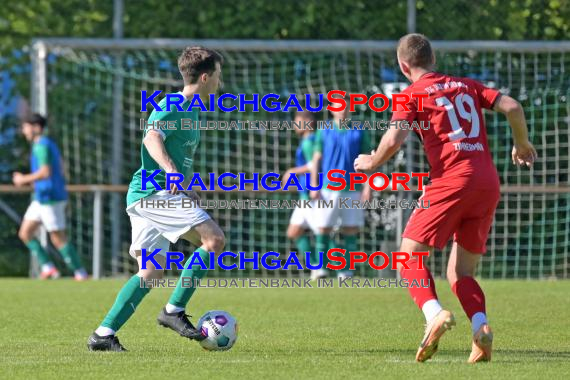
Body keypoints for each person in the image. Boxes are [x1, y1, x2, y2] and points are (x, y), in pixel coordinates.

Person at [354, 33, 537, 363]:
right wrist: (522, 144)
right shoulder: (466, 85)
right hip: (486, 182)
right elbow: (512, 106)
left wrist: (372, 162)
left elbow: (395, 137)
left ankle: (434, 314)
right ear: (433, 60)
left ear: (402, 65)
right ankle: (481, 329)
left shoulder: (411, 94)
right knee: (460, 272)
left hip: (451, 181)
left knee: (408, 256)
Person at [87, 46, 225, 351]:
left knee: (150, 272)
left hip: (146, 196)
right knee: (214, 240)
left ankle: (103, 335)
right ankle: (173, 311)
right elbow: (151, 136)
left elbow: (173, 150)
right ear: (205, 77)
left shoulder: (192, 110)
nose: (219, 81)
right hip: (155, 194)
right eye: (217, 75)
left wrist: (187, 181)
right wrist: (172, 171)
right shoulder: (174, 102)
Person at [13, 113, 88, 281]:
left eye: (26, 127)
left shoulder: (42, 146)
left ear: (36, 128)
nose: (24, 131)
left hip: (50, 198)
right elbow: (61, 166)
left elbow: (46, 172)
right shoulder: (47, 144)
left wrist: (23, 179)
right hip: (42, 198)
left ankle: (80, 272)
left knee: (58, 238)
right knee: (25, 233)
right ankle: (48, 268)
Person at [310, 101, 372, 279]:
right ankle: (320, 268)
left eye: (345, 106)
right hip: (328, 188)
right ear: (331, 109)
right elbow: (316, 159)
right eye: (338, 106)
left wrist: (368, 186)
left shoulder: (359, 130)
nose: (342, 110)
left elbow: (368, 161)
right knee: (323, 228)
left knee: (350, 229)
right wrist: (314, 185)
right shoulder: (324, 131)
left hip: (353, 187)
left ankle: (346, 271)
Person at [283, 110, 322, 280]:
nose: (294, 125)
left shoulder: (310, 141)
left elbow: (314, 164)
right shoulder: (308, 141)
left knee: (321, 232)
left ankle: (333, 268)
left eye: (297, 120)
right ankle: (318, 266)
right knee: (294, 232)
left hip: (310, 193)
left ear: (308, 122)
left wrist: (292, 171)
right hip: (304, 194)